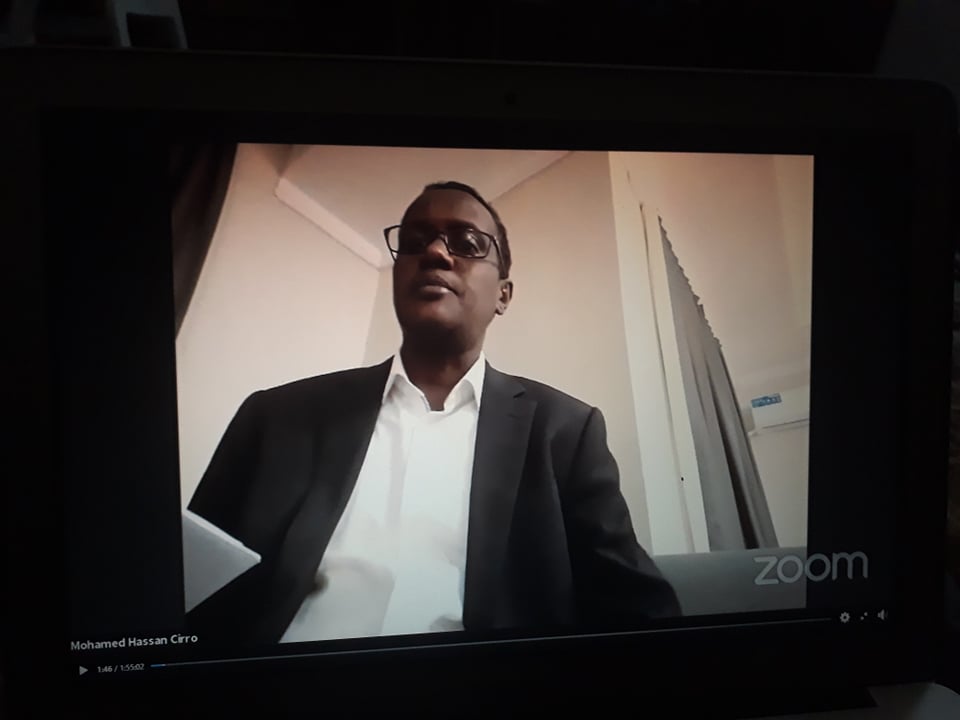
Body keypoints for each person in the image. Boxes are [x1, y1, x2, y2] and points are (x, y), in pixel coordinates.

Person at [186, 181, 680, 646]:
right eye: (415, 241)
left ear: (503, 294)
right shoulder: (274, 418)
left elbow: (640, 612)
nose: (436, 253)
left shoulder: (565, 432)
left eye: (467, 243)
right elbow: (188, 586)